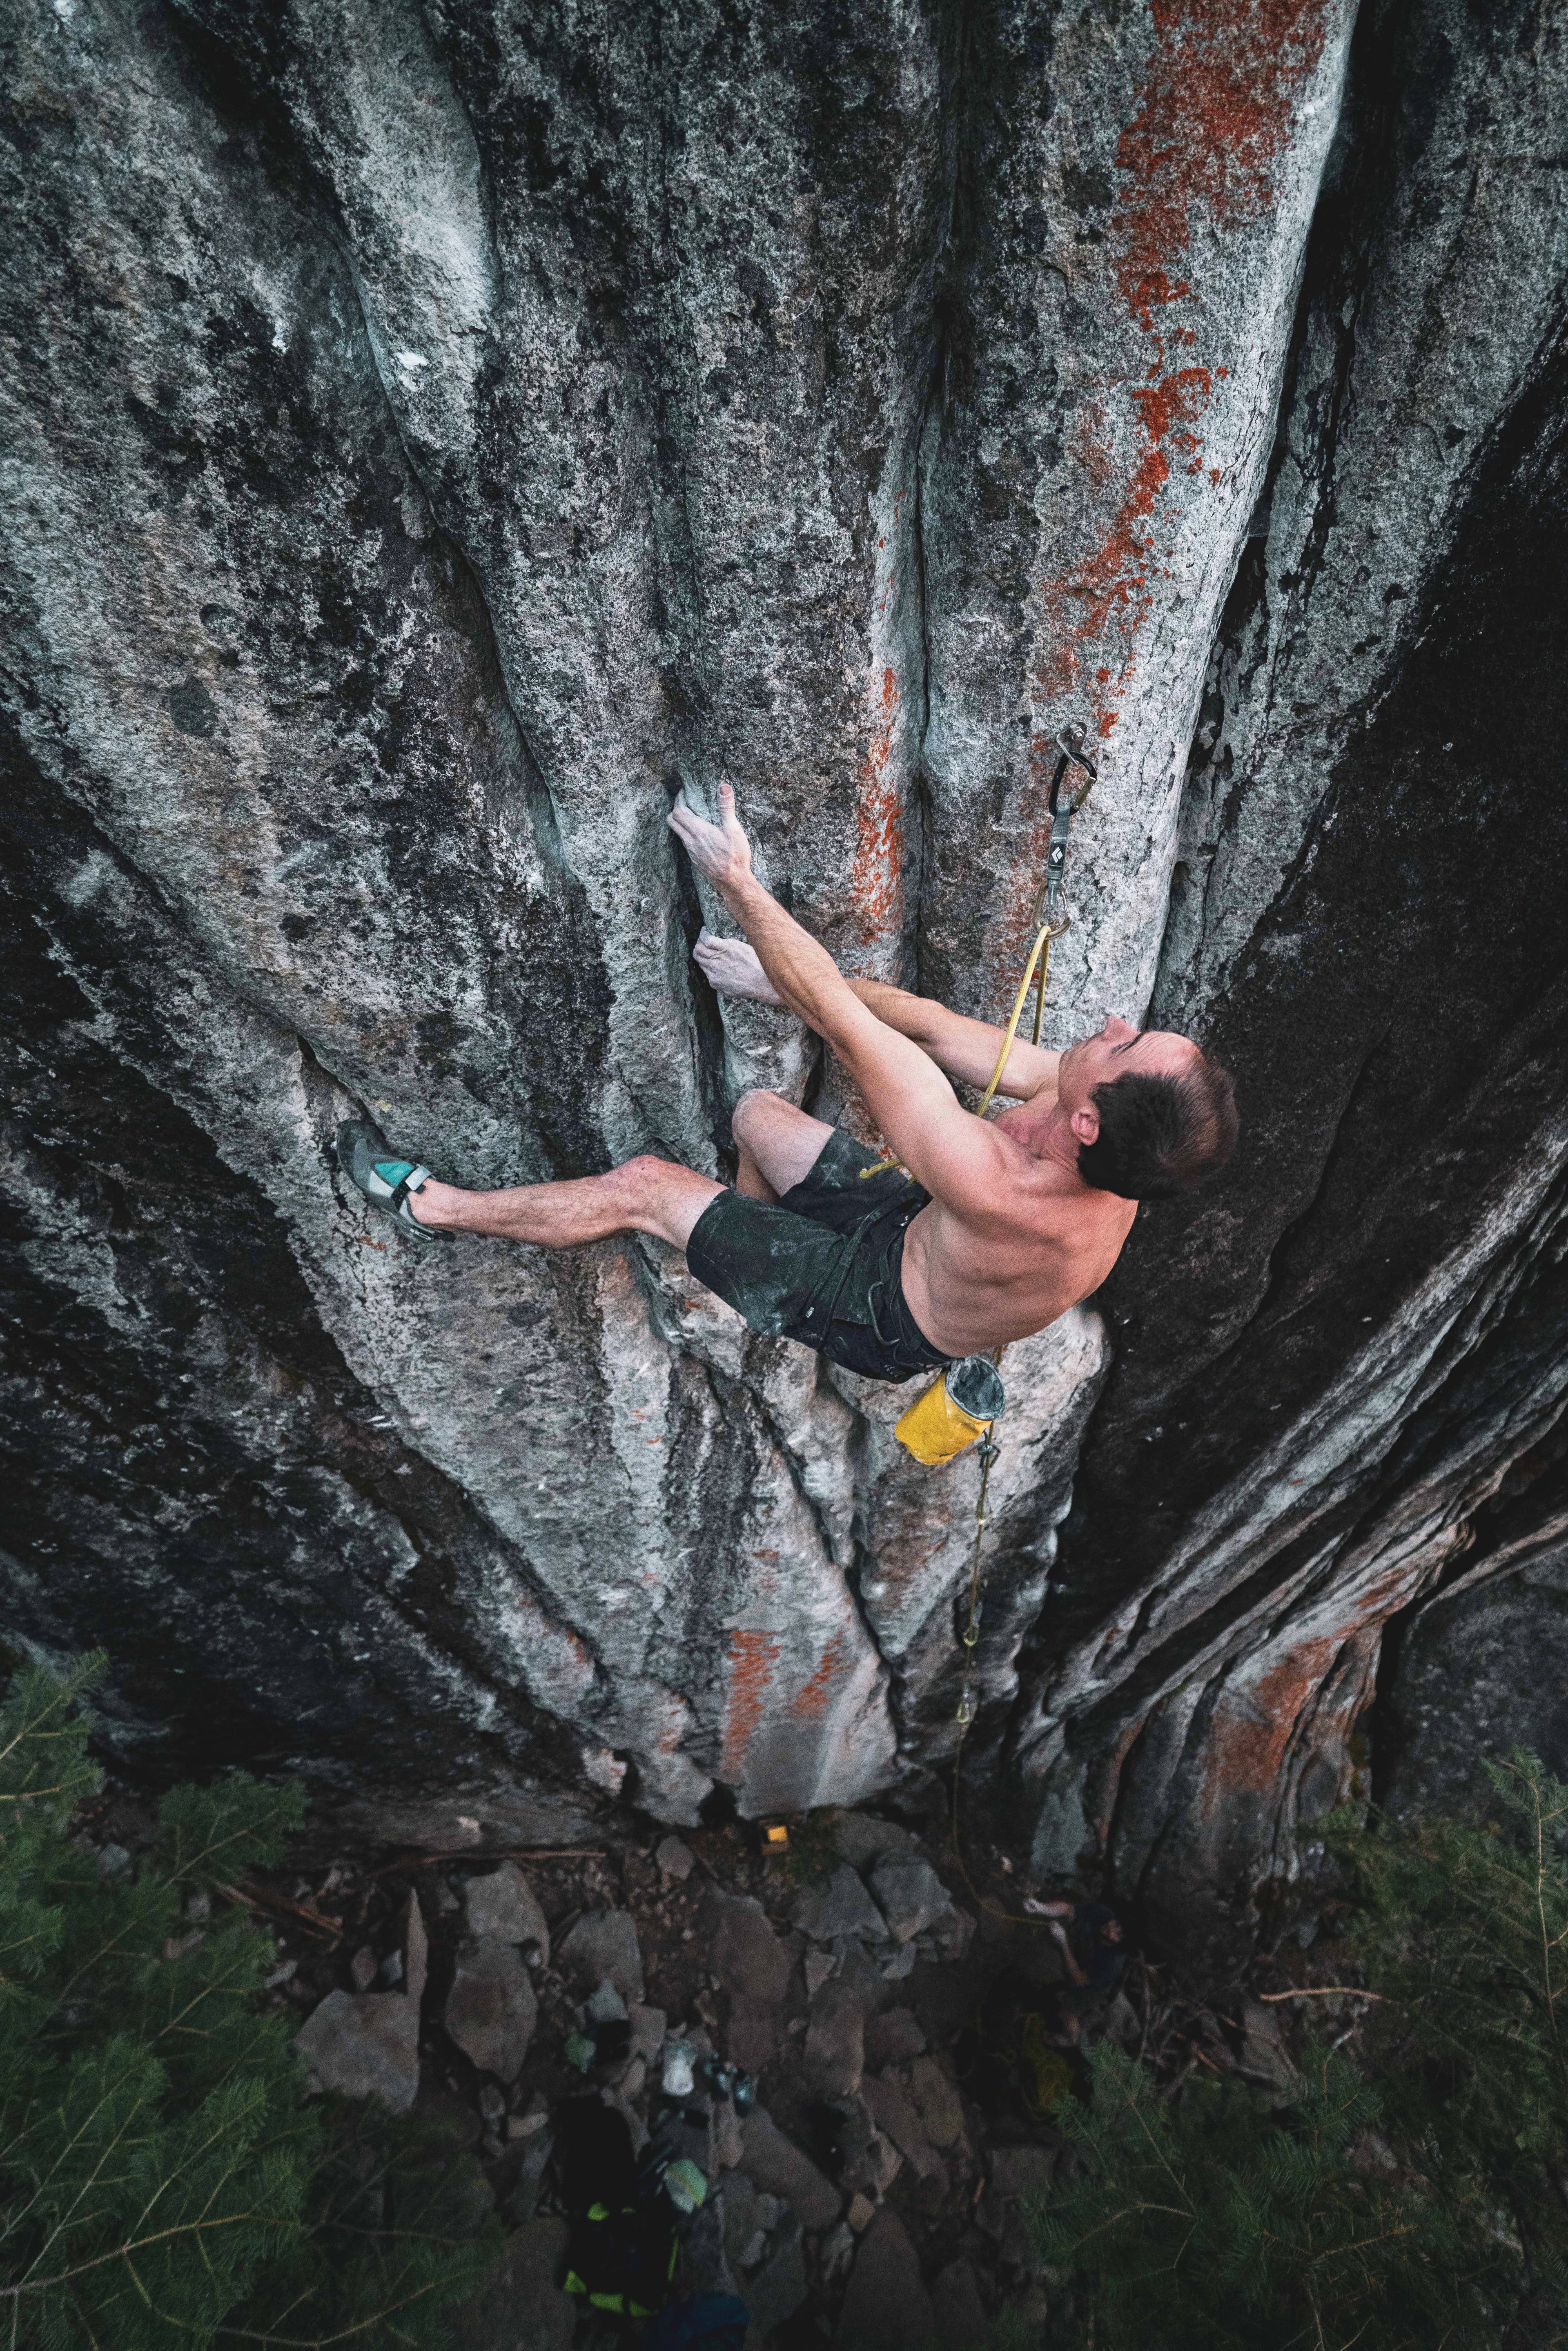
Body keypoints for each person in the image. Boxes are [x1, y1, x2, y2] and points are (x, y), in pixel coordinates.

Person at [339, 785, 1238, 1383]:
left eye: (1128, 1043)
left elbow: (854, 1028)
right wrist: (780, 983)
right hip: (916, 1232)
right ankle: (743, 1252)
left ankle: (434, 1207)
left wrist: (736, 881)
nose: (1117, 1022)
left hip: (882, 1311)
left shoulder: (1000, 1183)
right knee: (759, 1116)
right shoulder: (1104, 1128)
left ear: (1088, 1122)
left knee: (647, 1187)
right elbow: (922, 1023)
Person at [1022, 1896, 1127, 2043]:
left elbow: (1079, 1979)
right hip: (1084, 1956)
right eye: (1117, 1924)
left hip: (1094, 1986)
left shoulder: (1111, 1964)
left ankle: (1071, 2040)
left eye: (1118, 1934)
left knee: (1067, 2012)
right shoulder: (1103, 1913)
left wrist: (1063, 1942)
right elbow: (1069, 1910)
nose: (1112, 1927)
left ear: (1120, 1943)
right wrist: (1041, 1908)